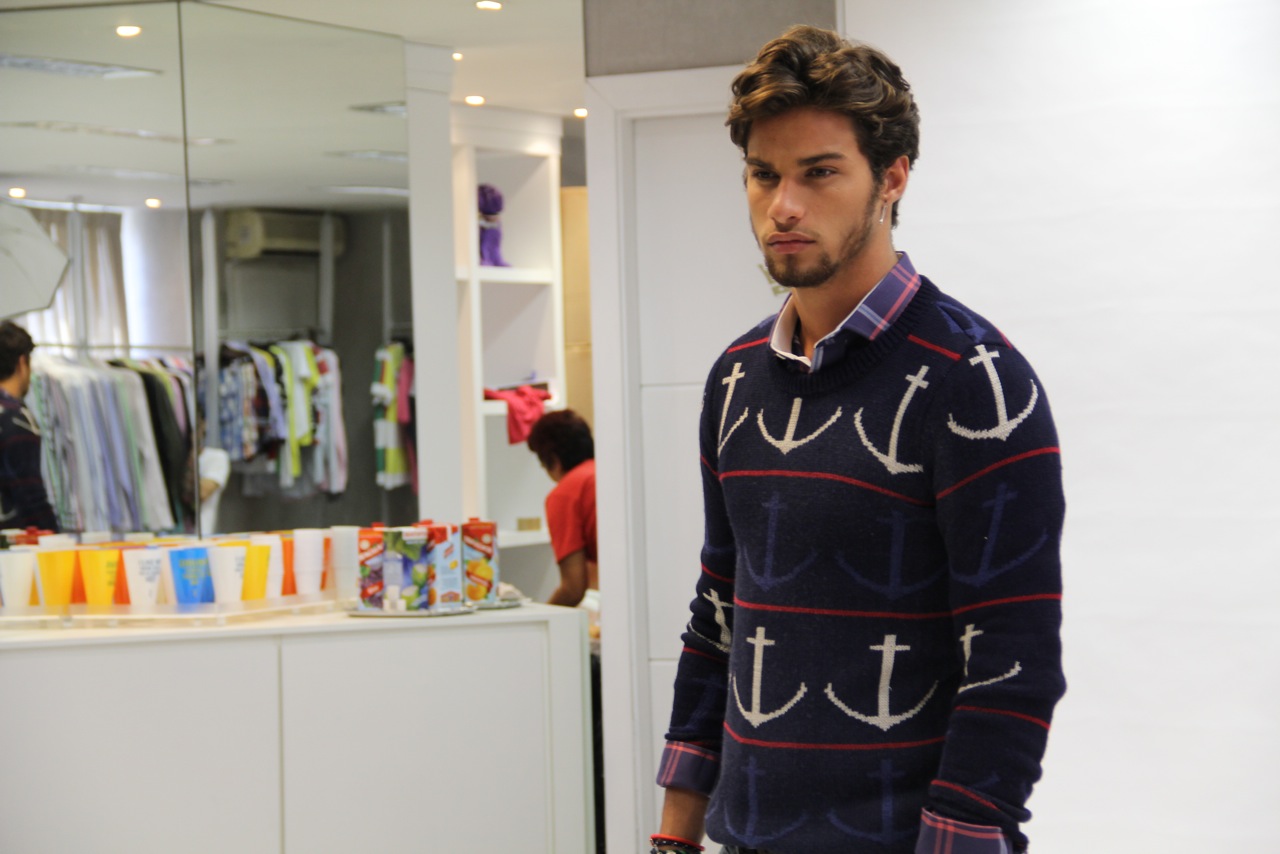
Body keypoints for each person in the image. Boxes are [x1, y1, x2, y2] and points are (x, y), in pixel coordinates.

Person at [651, 26, 1065, 854]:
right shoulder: (735, 379)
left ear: (892, 178)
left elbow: (1011, 665)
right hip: (745, 837)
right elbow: (719, 616)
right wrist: (674, 838)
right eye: (764, 175)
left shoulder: (974, 380)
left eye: (819, 172)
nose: (784, 206)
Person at [527, 408, 597, 608]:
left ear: (553, 460)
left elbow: (573, 588)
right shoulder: (606, 472)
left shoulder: (564, 494)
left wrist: (542, 618)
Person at [0, 320, 59, 532]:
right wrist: (53, 536)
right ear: (22, 363)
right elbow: (30, 495)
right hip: (13, 541)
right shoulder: (17, 419)